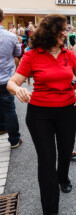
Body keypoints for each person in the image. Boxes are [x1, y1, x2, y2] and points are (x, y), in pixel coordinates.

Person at [7, 14, 76, 215]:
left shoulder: (68, 54)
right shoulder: (32, 55)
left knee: (65, 150)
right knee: (46, 160)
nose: (67, 33)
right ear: (52, 31)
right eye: (63, 29)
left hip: (68, 111)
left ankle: (63, 177)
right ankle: (50, 209)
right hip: (39, 114)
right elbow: (12, 82)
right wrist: (19, 89)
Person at [0, 8, 22, 148]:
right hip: (5, 79)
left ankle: (2, 127)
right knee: (9, 109)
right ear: (3, 18)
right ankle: (14, 140)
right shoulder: (11, 36)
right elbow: (18, 53)